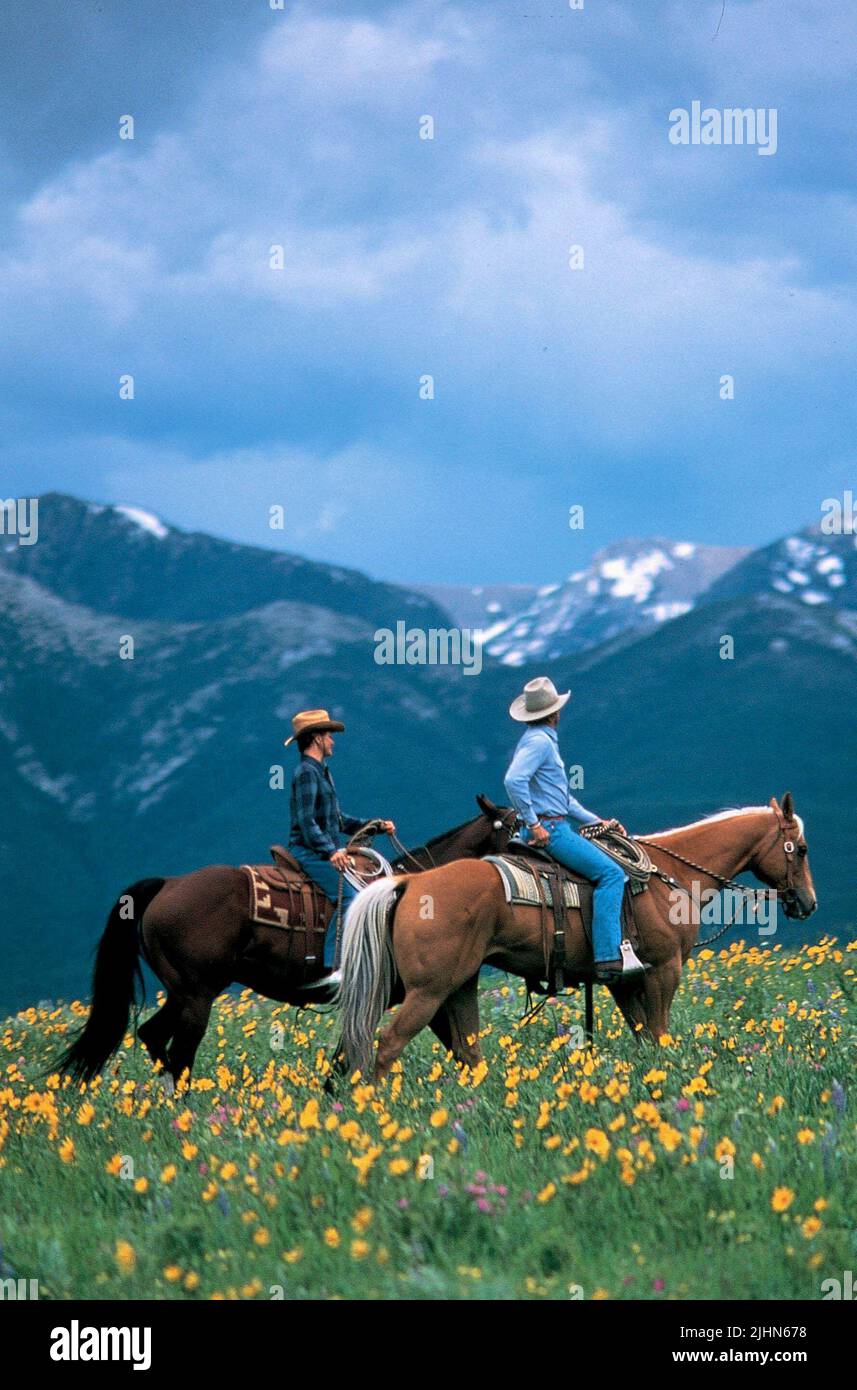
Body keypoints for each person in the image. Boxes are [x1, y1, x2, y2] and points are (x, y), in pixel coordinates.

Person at [503, 677, 646, 980]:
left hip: (552, 822)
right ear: (555, 713)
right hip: (552, 830)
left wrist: (597, 822)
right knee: (611, 874)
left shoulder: (534, 739)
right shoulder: (541, 742)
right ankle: (608, 957)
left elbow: (563, 800)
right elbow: (513, 781)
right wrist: (534, 823)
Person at [285, 708, 395, 989]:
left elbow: (338, 820)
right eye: (329, 736)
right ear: (317, 739)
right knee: (353, 897)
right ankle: (338, 966)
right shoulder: (306, 774)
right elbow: (307, 823)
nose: (333, 741)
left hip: (321, 848)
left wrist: (375, 826)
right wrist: (330, 851)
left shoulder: (320, 772)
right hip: (307, 851)